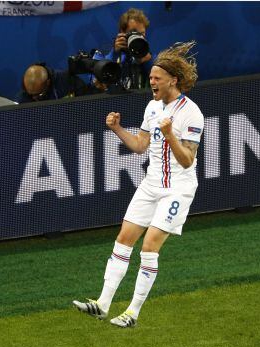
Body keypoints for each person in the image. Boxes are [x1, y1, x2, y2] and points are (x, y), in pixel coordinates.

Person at [73, 41, 203, 328]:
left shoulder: (191, 113)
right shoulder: (152, 107)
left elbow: (187, 161)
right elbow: (141, 145)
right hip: (150, 185)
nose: (152, 81)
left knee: (149, 247)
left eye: (157, 78)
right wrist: (118, 129)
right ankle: (103, 304)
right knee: (123, 240)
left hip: (177, 190)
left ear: (173, 80)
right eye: (152, 77)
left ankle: (132, 312)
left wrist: (170, 135)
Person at [92, 8, 154, 91]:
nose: (138, 37)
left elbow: (162, 83)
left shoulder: (147, 55)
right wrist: (114, 55)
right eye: (133, 32)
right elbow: (95, 82)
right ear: (122, 32)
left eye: (142, 33)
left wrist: (147, 62)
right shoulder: (102, 53)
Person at [16, 63, 91, 103]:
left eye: (39, 95)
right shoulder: (24, 96)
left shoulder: (68, 81)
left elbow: (85, 103)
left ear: (48, 83)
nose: (34, 98)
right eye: (30, 94)